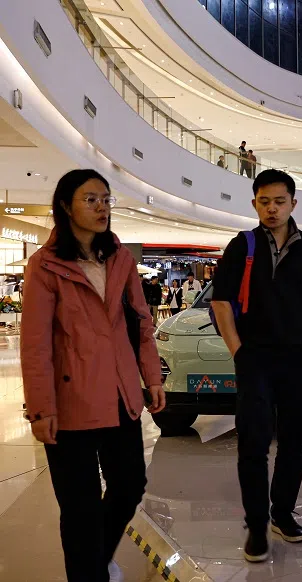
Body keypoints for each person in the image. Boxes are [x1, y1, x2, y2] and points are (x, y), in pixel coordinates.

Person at [21, 169, 165, 582]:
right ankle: (89, 572)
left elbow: (140, 322)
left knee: (130, 486)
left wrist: (152, 378)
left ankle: (95, 558)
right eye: (90, 199)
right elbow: (35, 344)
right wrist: (42, 409)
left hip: (122, 395)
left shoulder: (119, 258)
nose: (101, 207)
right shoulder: (45, 266)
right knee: (80, 507)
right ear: (66, 206)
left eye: (105, 199)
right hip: (70, 404)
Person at [211, 169, 302, 563]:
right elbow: (220, 300)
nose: (272, 208)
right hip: (255, 358)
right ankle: (256, 526)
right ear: (255, 204)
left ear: (293, 204)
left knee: (294, 441)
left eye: (279, 201)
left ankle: (282, 513)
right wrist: (238, 351)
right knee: (253, 441)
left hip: (298, 354)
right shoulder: (242, 245)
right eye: (264, 201)